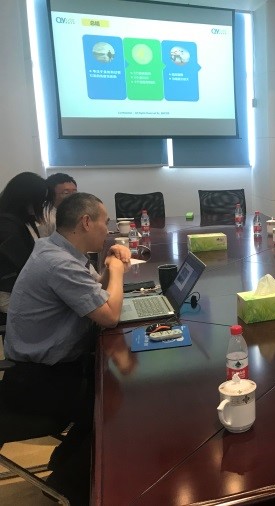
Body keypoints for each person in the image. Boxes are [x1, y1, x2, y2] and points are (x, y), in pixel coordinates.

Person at [2, 192, 130, 504]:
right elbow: (110, 315)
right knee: (117, 403)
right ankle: (74, 488)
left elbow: (95, 293)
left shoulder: (57, 249)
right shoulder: (58, 263)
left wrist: (108, 267)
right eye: (105, 223)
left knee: (112, 387)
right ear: (86, 222)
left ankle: (65, 466)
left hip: (47, 371)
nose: (108, 230)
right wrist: (117, 271)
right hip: (38, 382)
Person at [0, 172, 48, 315]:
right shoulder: (7, 227)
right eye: (41, 200)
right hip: (9, 293)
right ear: (26, 198)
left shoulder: (22, 221)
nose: (42, 205)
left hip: (20, 288)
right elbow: (24, 265)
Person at [39, 172, 77, 237]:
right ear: (51, 195)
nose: (72, 197)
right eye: (66, 193)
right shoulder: (45, 218)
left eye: (74, 193)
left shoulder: (75, 211)